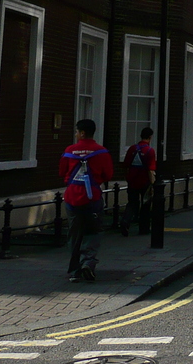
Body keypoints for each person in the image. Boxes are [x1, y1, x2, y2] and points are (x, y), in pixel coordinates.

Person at [60, 119, 114, 282]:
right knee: (94, 231)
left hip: (72, 198)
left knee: (75, 233)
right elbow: (108, 175)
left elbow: (62, 172)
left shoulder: (69, 151)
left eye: (76, 132)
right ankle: (88, 263)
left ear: (82, 133)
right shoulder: (101, 152)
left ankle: (75, 270)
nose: (76, 135)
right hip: (92, 198)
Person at [120, 127, 156, 236]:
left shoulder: (132, 149)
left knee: (132, 203)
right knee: (145, 204)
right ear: (150, 137)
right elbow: (151, 169)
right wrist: (153, 184)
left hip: (132, 181)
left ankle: (125, 221)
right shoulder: (150, 151)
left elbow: (126, 164)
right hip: (144, 181)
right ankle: (144, 228)